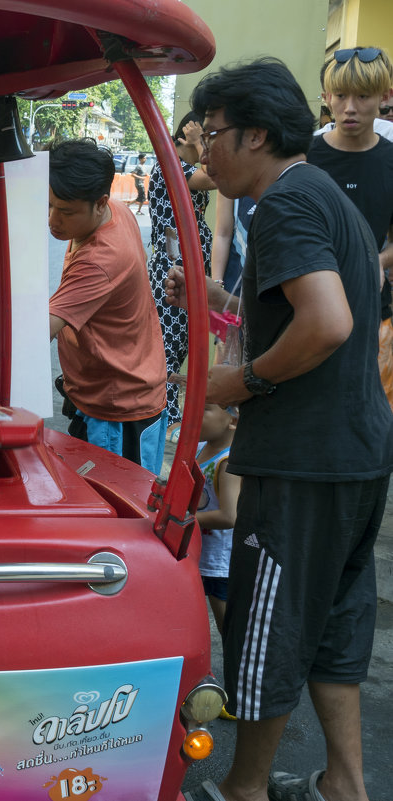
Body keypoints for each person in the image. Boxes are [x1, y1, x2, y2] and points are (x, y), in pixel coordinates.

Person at [176, 58, 393, 801]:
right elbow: (301, 307)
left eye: (213, 135)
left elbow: (326, 323)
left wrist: (240, 383)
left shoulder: (287, 203)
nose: (205, 152)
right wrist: (212, 295)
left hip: (301, 459)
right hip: (357, 454)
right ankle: (344, 783)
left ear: (257, 134)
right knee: (334, 628)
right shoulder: (324, 194)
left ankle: (243, 788)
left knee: (265, 629)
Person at [47, 138, 168, 474]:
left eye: (66, 212)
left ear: (99, 203)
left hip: (119, 408)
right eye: (50, 205)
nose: (53, 220)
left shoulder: (101, 259)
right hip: (107, 391)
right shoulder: (117, 210)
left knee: (122, 511)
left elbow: (37, 330)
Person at [310, 45, 393, 414]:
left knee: (360, 408)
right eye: (340, 95)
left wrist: (374, 260)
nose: (350, 107)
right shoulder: (304, 155)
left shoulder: (391, 160)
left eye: (363, 96)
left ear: (384, 97)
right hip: (302, 306)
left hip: (370, 308)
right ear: (327, 97)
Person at [147, 112, 218, 425]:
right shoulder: (171, 166)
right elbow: (216, 177)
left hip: (190, 270)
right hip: (172, 271)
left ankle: (169, 415)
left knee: (183, 345)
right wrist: (201, 142)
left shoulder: (186, 167)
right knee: (169, 347)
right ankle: (163, 416)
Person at [195, 402, 239, 637]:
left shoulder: (229, 462)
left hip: (218, 561)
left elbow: (229, 516)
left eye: (205, 408)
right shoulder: (200, 447)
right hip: (199, 550)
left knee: (228, 628)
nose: (192, 410)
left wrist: (187, 518)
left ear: (232, 420)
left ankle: (237, 670)